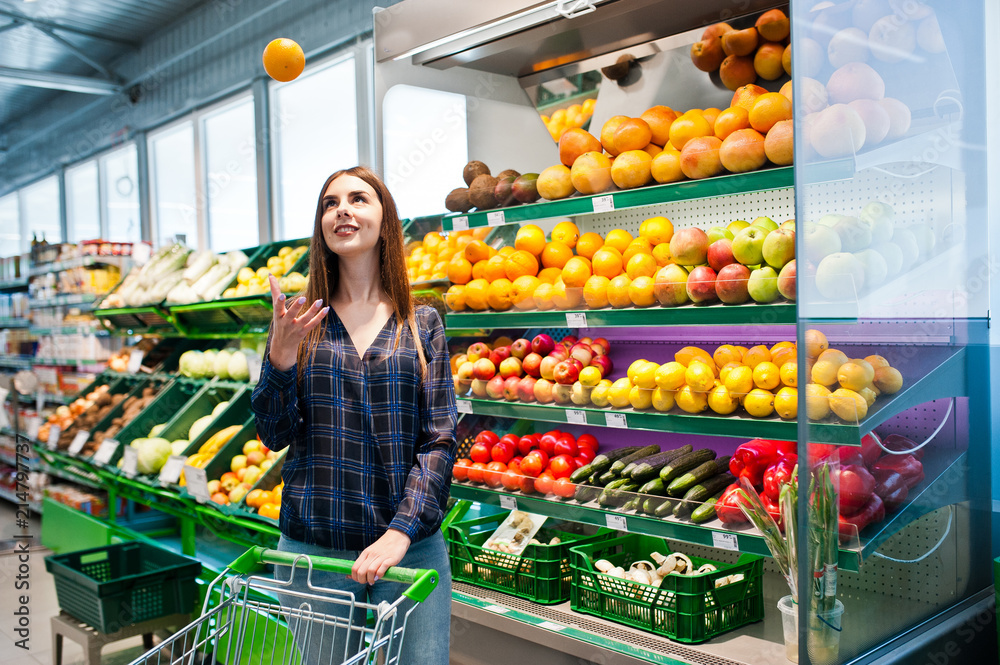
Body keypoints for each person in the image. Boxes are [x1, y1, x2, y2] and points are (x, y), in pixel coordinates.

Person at [250, 165, 456, 665]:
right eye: (329, 203)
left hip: (410, 552)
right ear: (321, 227)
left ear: (384, 220)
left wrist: (401, 531)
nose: (341, 209)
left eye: (358, 199)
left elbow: (439, 441)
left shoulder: (421, 322)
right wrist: (279, 359)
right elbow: (273, 435)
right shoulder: (300, 322)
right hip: (315, 552)